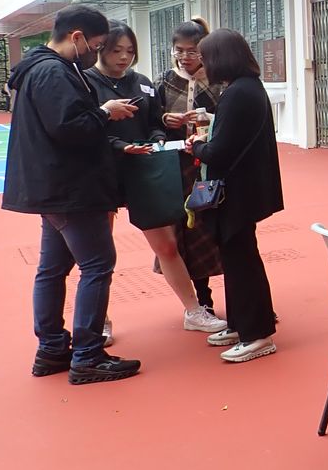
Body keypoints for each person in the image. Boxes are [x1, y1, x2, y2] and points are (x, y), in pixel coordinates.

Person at [3, 5, 142, 384]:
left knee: (53, 269)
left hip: (54, 187)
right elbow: (70, 127)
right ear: (76, 36)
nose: (96, 53)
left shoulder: (40, 69)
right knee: (96, 265)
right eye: (96, 46)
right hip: (71, 188)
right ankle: (87, 354)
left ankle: (52, 348)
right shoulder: (54, 71)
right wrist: (105, 113)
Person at [86, 22, 228, 336]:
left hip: (144, 170)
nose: (124, 57)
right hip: (101, 175)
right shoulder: (85, 83)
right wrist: (120, 144)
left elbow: (154, 122)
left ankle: (195, 311)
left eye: (130, 51)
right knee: (99, 254)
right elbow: (82, 129)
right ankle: (99, 321)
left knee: (167, 245)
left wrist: (157, 138)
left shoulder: (142, 83)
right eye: (117, 50)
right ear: (101, 49)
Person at [186, 29, 283, 363]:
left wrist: (196, 146)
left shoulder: (237, 93)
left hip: (236, 192)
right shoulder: (247, 88)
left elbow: (220, 151)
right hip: (246, 189)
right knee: (239, 259)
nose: (203, 64)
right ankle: (244, 324)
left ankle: (256, 333)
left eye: (205, 57)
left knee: (241, 261)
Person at [156, 18, 224, 315]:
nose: (185, 56)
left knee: (218, 227)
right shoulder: (164, 80)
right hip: (177, 166)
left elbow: (228, 118)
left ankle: (243, 296)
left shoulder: (218, 80)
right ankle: (202, 298)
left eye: (192, 51)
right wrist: (164, 120)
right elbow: (152, 119)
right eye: (179, 50)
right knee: (187, 229)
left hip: (210, 161)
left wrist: (208, 121)